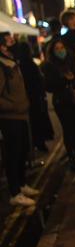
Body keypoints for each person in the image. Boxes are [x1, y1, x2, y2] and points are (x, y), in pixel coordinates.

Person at [0, 32, 40, 206]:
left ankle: (22, 184)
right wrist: (13, 106)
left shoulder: (12, 63)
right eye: (7, 41)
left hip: (21, 114)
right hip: (10, 117)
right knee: (13, 154)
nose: (12, 43)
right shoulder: (2, 67)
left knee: (23, 150)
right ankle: (15, 192)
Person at [42, 39, 75, 171]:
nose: (61, 51)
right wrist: (64, 80)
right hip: (62, 102)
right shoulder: (49, 66)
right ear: (52, 52)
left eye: (62, 48)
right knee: (68, 129)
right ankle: (72, 157)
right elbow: (48, 86)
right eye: (57, 49)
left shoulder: (73, 62)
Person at [7, 33, 53, 152]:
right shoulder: (30, 65)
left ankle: (33, 145)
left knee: (32, 124)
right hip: (34, 99)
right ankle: (40, 143)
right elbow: (38, 82)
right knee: (37, 122)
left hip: (27, 99)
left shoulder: (19, 65)